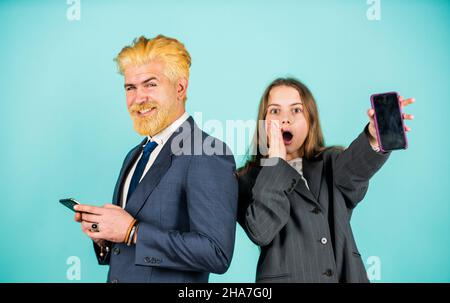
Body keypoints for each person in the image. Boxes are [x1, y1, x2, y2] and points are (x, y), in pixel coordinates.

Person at [74, 35, 238, 283]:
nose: (139, 98)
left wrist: (132, 232)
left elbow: (216, 253)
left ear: (180, 89)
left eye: (150, 85)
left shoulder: (207, 151)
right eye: (130, 88)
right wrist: (105, 236)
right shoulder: (134, 154)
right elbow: (128, 248)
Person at [237, 77, 415, 282]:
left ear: (310, 120)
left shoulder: (331, 162)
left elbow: (354, 170)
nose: (285, 119)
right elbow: (261, 231)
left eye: (296, 110)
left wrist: (373, 136)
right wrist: (275, 162)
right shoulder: (246, 179)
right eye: (275, 111)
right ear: (263, 122)